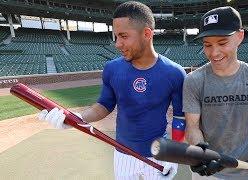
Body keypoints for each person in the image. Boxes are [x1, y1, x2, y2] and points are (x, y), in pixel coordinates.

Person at [38, 1, 187, 180]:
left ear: (147, 34)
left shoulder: (174, 72)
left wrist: (174, 153)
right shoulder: (112, 69)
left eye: (124, 36)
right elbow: (104, 105)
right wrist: (77, 118)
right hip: (122, 154)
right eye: (116, 36)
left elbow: (180, 117)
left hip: (159, 155)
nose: (117, 44)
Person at [182, 6, 248, 180]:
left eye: (222, 43)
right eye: (207, 45)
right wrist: (201, 151)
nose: (214, 53)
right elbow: (192, 126)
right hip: (208, 172)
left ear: (239, 36)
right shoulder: (193, 80)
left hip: (245, 169)